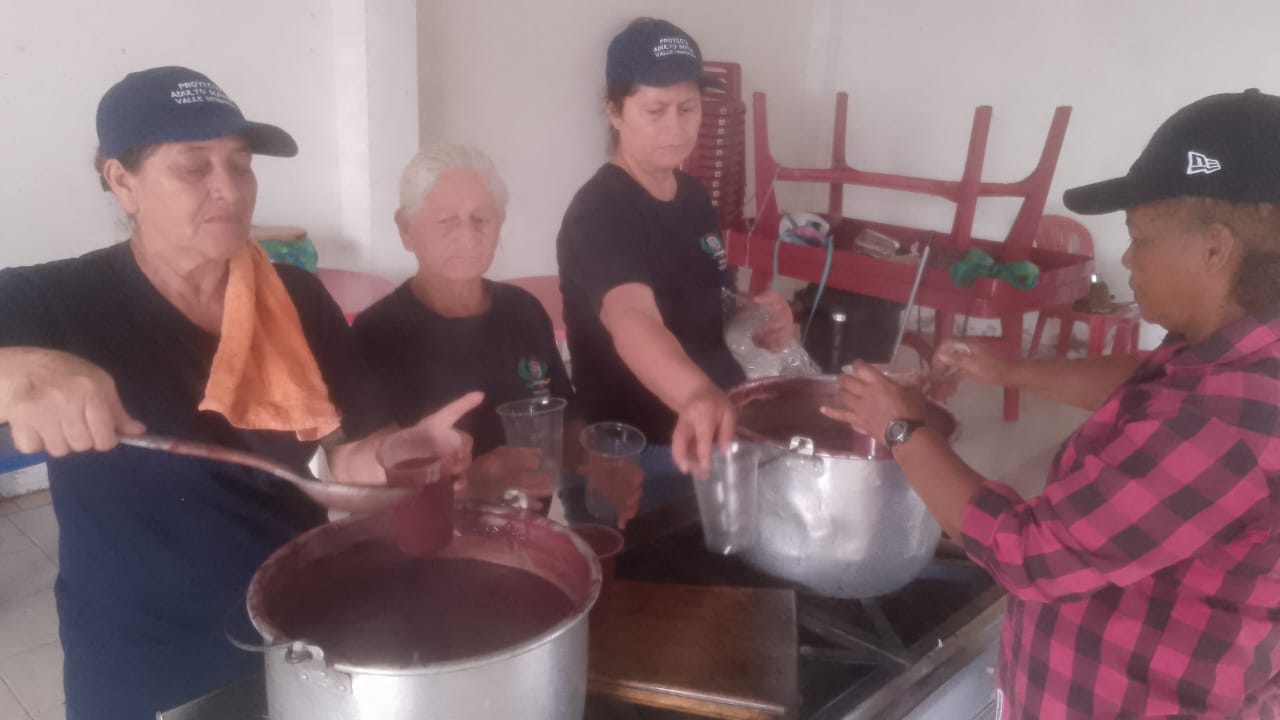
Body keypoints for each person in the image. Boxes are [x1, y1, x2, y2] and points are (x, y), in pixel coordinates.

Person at [0, 66, 476, 719]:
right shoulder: (58, 301)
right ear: (122, 182)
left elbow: (349, 456)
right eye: (194, 167)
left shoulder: (295, 299)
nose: (228, 189)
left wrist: (400, 453)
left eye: (241, 164)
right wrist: (23, 371)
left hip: (294, 621)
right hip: (145, 656)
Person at [824, 89, 1280, 718]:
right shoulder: (1234, 351)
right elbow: (1146, 379)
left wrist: (900, 428)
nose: (1128, 258)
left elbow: (1029, 553)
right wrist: (1005, 371)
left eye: (1140, 236)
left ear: (1215, 248)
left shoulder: (1231, 420)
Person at [556, 18, 793, 503]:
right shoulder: (599, 211)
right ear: (614, 112)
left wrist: (756, 316)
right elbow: (632, 318)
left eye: (688, 108)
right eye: (655, 110)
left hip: (713, 431)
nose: (675, 127)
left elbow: (702, 296)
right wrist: (696, 395)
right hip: (640, 452)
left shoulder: (691, 195)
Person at [354, 144, 589, 513]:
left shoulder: (523, 311)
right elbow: (367, 481)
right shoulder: (376, 333)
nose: (468, 236)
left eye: (482, 219)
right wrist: (473, 483)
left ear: (500, 222)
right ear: (406, 229)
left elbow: (561, 415)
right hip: (430, 537)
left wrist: (596, 459)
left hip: (527, 530)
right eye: (446, 221)